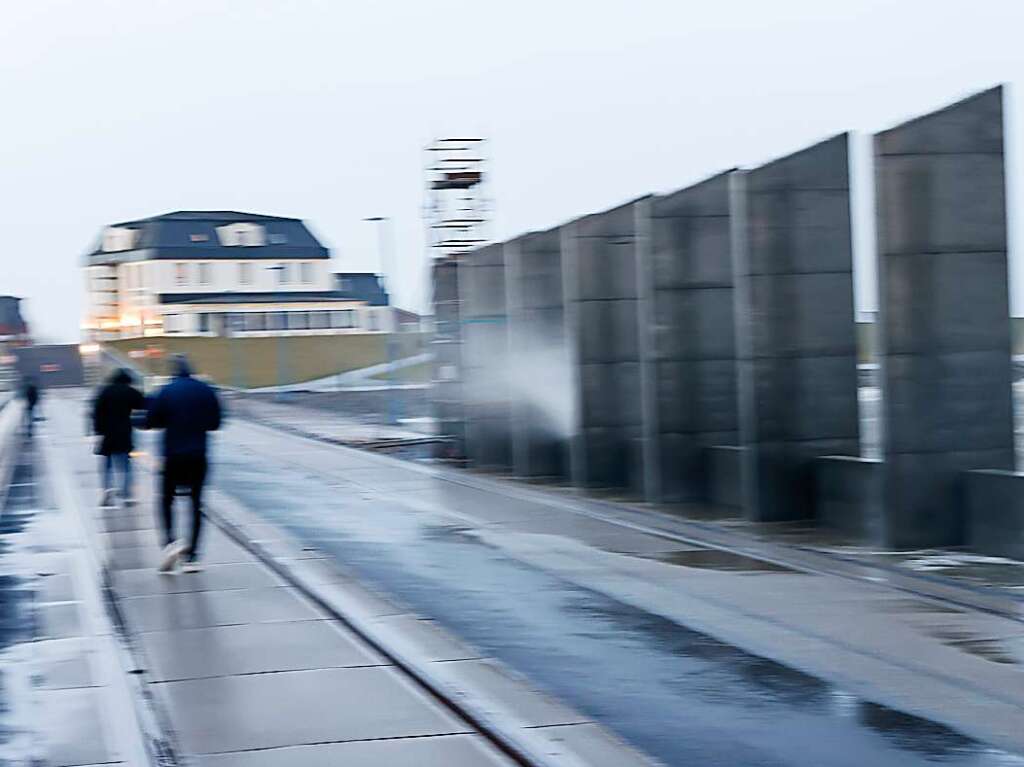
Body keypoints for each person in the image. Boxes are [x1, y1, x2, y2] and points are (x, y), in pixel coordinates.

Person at [145, 355, 223, 574]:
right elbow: (216, 423)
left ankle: (170, 542)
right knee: (196, 504)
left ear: (173, 371)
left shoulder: (166, 390)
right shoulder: (205, 390)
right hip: (198, 454)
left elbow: (150, 421)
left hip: (172, 455)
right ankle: (193, 556)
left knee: (165, 500)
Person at [91, 368, 145, 507]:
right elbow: (142, 403)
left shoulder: (105, 391)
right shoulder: (129, 391)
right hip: (124, 432)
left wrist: (98, 431)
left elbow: (96, 412)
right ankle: (126, 494)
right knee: (126, 465)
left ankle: (107, 492)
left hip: (107, 433)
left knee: (107, 465)